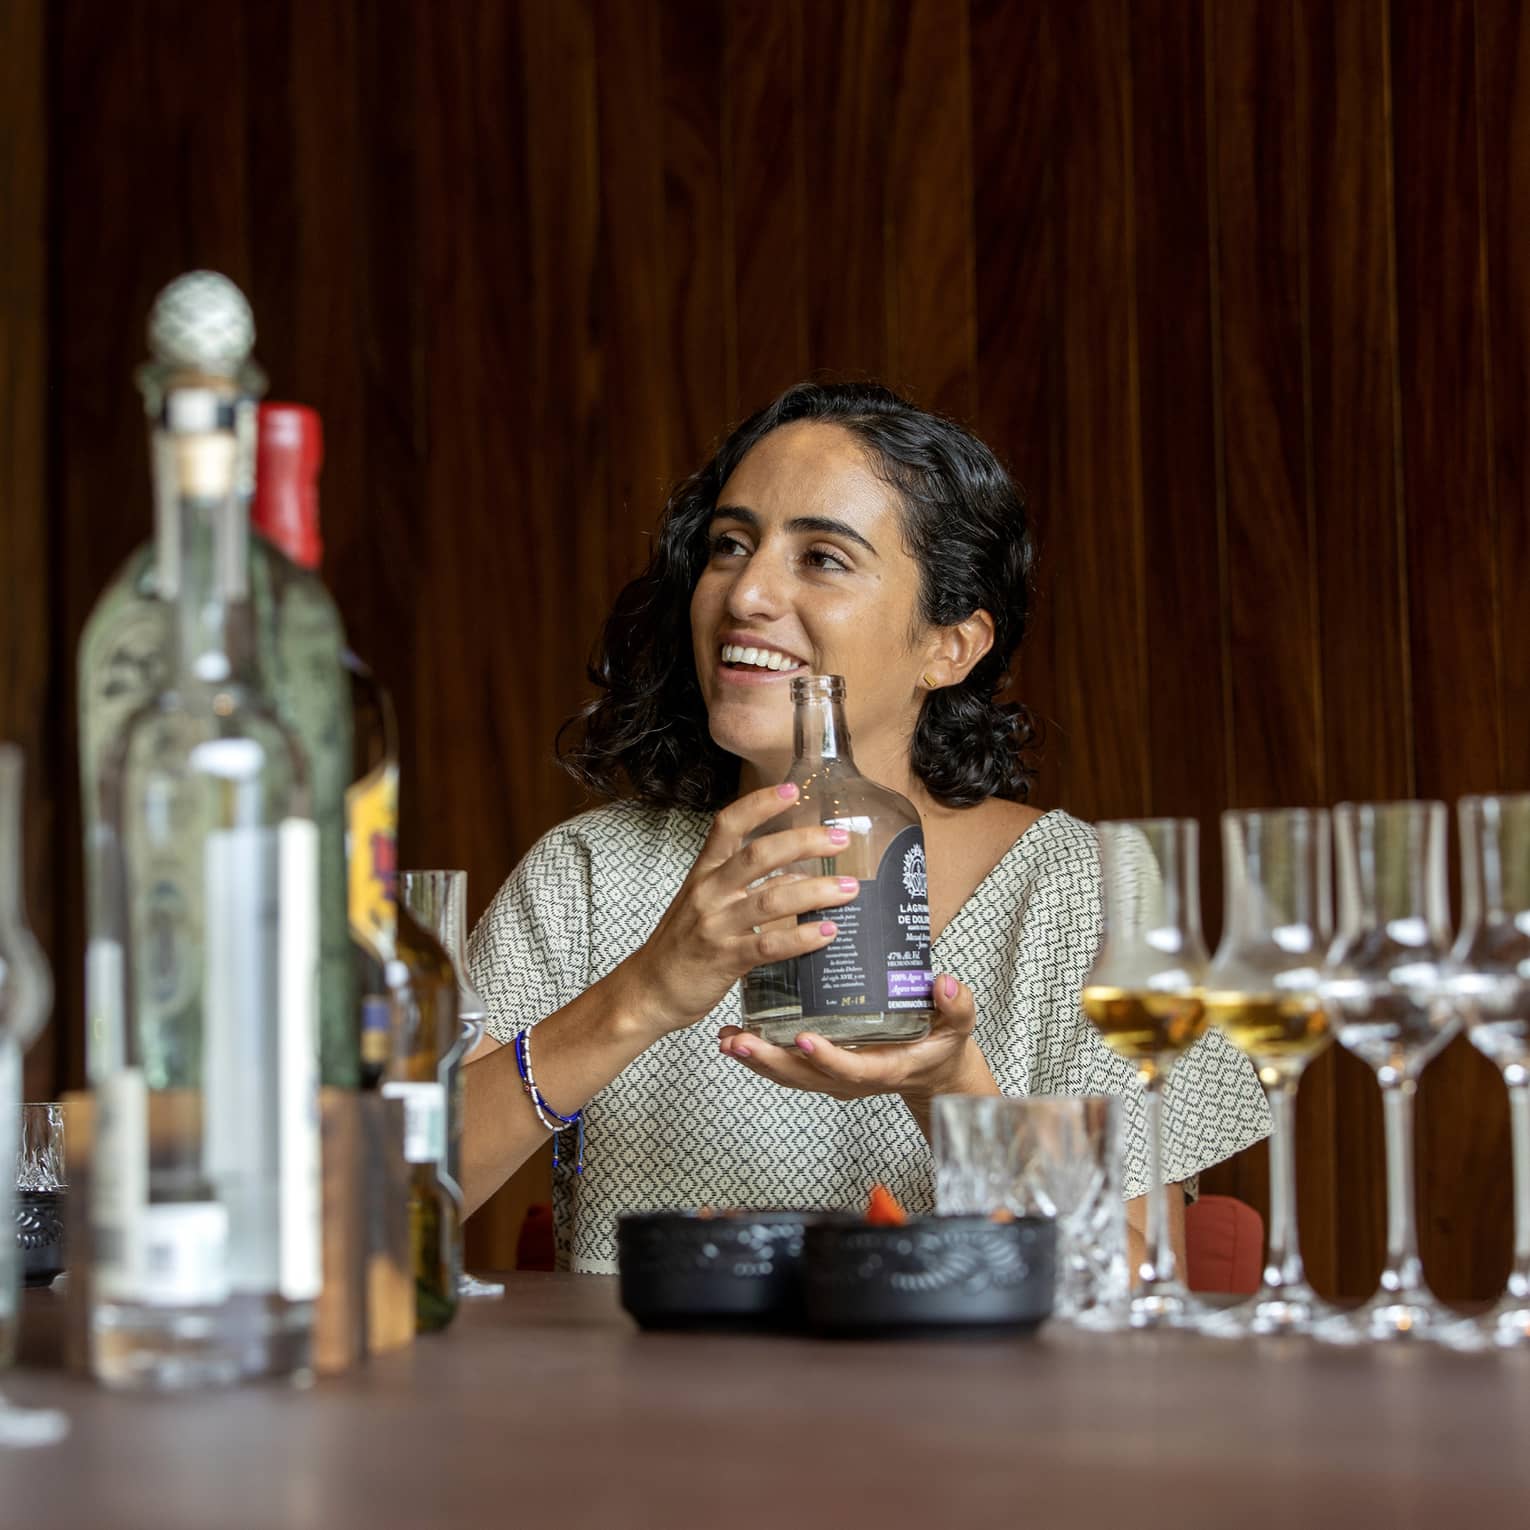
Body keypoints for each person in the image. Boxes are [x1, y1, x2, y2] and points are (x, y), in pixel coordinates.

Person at [463, 381, 1268, 1274]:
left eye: (823, 558)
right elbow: (362, 1204)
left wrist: (947, 1088)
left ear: (949, 646)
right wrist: (642, 996)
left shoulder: (1082, 888)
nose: (747, 594)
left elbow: (1129, 1277)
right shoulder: (588, 873)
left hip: (974, 1417)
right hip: (654, 1411)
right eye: (731, 545)